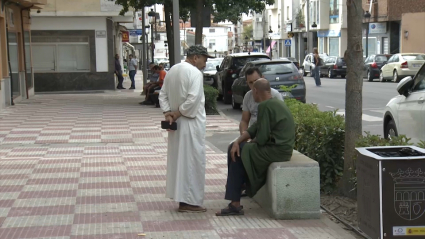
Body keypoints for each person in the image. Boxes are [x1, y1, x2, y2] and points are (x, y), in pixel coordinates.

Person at [216, 79, 295, 216]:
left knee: (239, 152)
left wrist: (244, 144)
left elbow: (262, 138)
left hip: (277, 150)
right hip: (282, 149)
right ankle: (239, 187)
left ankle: (235, 202)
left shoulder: (265, 106)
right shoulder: (275, 103)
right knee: (235, 148)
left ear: (255, 91)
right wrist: (238, 141)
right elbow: (255, 128)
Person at [159, 45, 215, 212]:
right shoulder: (195, 73)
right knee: (192, 162)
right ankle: (189, 202)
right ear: (196, 57)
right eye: (204, 59)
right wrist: (176, 113)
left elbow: (163, 94)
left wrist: (168, 112)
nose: (205, 64)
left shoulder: (173, 69)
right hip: (190, 123)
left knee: (179, 162)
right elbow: (193, 100)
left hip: (177, 125)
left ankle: (182, 200)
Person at [240, 67, 284, 134]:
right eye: (251, 83)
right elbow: (244, 121)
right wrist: (243, 135)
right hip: (252, 133)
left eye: (256, 81)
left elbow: (280, 121)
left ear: (263, 78)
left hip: (269, 135)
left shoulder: (275, 95)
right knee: (234, 144)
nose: (254, 85)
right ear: (247, 83)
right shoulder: (248, 96)